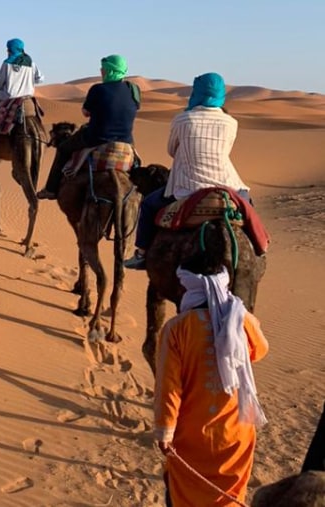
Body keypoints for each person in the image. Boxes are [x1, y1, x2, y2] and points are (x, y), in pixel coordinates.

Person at [155, 251, 269, 506]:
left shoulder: (175, 328)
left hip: (191, 436)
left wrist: (165, 430)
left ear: (186, 283)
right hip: (235, 434)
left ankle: (142, 251)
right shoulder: (241, 318)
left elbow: (169, 386)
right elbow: (260, 350)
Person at [125, 72, 249, 269]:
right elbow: (226, 151)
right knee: (247, 209)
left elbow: (172, 150)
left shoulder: (183, 119)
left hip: (187, 185)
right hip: (228, 184)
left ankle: (142, 253)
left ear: (197, 92)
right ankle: (258, 247)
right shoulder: (231, 122)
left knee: (148, 205)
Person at [36, 54, 140, 200]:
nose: (101, 71)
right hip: (126, 139)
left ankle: (51, 189)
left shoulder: (98, 89)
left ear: (109, 70)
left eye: (103, 68)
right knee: (137, 162)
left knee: (63, 148)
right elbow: (135, 107)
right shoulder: (133, 90)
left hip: (96, 137)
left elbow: (86, 112)